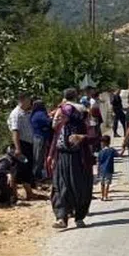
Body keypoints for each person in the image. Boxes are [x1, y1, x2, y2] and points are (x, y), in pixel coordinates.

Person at [49, 89, 94, 228]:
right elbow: (55, 139)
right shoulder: (61, 126)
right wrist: (51, 155)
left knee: (80, 188)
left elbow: (95, 138)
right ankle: (61, 218)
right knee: (59, 187)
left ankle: (79, 217)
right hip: (62, 158)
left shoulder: (81, 124)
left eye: (61, 116)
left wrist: (82, 137)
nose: (58, 118)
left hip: (79, 160)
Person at [7, 94, 39, 201]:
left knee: (27, 169)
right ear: (22, 100)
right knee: (16, 170)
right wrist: (18, 148)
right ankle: (13, 195)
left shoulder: (26, 112)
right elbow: (15, 132)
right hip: (21, 144)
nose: (30, 102)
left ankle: (29, 193)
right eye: (29, 100)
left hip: (28, 144)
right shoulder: (16, 114)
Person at [30, 100, 52, 183]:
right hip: (40, 137)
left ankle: (37, 175)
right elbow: (48, 122)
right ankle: (36, 176)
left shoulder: (35, 113)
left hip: (37, 137)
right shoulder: (40, 114)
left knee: (39, 157)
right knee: (38, 157)